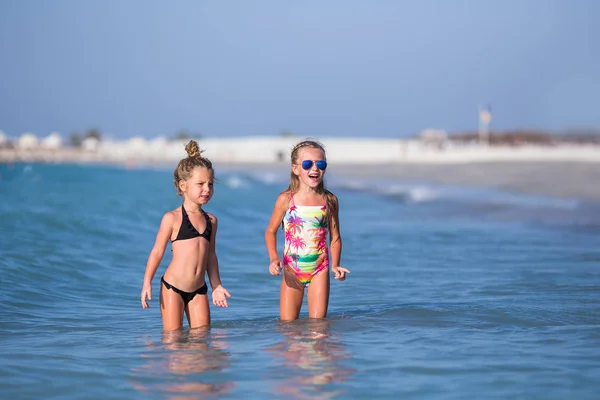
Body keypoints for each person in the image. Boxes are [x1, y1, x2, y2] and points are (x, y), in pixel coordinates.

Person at [141, 140, 231, 331]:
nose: (207, 189)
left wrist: (216, 286)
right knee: (173, 341)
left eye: (210, 184)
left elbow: (211, 257)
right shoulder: (172, 218)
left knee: (202, 341)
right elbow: (157, 252)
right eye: (200, 184)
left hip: (199, 290)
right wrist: (147, 282)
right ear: (183, 185)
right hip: (173, 288)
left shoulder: (211, 221)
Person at [265, 139, 350, 321]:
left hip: (320, 268)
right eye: (307, 164)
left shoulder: (330, 200)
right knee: (288, 327)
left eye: (320, 164)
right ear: (295, 169)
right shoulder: (286, 199)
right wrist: (273, 258)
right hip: (292, 269)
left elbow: (335, 237)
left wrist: (335, 265)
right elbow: (271, 231)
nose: (315, 169)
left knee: (318, 328)